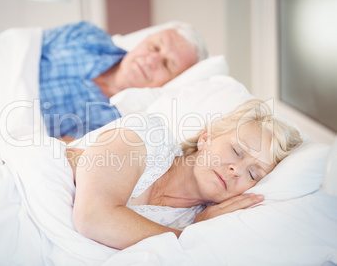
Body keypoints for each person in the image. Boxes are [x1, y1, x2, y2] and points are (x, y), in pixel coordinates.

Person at [66, 99, 303, 250]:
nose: (236, 170)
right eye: (236, 151)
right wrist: (188, 237)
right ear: (206, 137)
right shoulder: (148, 137)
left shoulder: (201, 221)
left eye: (253, 174)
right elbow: (92, 217)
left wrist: (196, 231)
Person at [39, 21, 207, 143]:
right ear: (143, 41)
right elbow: (21, 47)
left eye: (167, 64)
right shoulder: (87, 35)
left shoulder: (118, 128)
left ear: (173, 83)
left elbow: (55, 150)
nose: (151, 60)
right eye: (155, 47)